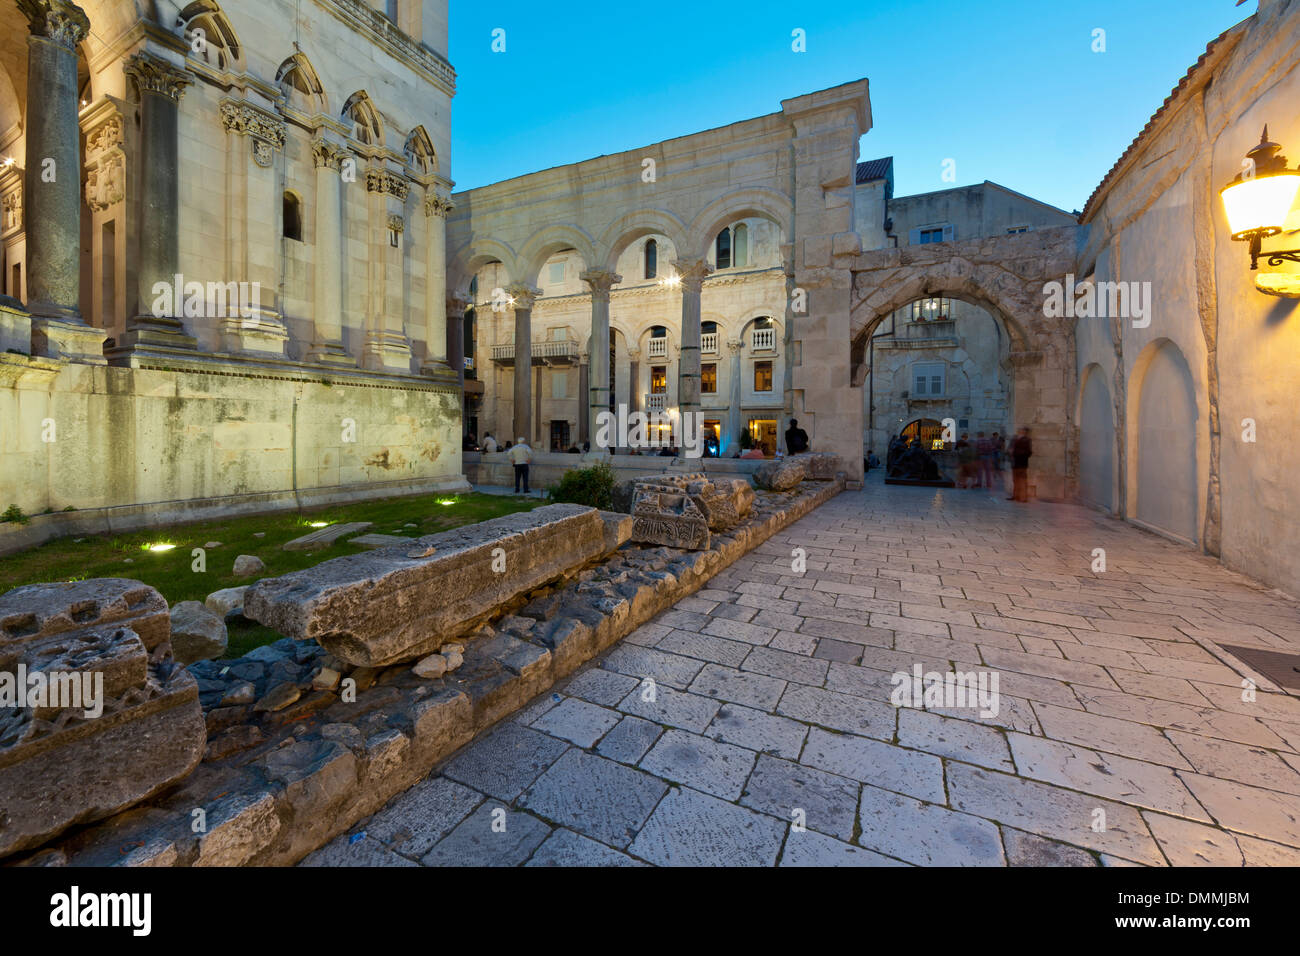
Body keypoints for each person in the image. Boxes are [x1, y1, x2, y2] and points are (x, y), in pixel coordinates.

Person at [1008, 427, 1033, 503]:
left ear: (1025, 432)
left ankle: (1023, 497)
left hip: (1022, 463)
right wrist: (1010, 452)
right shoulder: (1015, 439)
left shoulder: (1027, 440)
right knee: (1015, 480)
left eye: (1022, 430)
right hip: (1015, 462)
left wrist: (1015, 452)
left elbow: (1029, 452)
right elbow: (1010, 448)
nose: (1020, 431)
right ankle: (1016, 495)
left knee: (1022, 480)